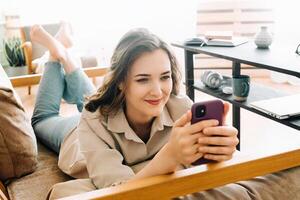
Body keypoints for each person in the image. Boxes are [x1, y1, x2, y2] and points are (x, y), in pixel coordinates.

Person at [31, 24, 300, 200]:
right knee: (44, 118)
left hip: (110, 102)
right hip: (73, 139)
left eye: (165, 76)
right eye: (143, 79)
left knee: (92, 97)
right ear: (122, 82)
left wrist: (221, 151)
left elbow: (208, 162)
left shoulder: (179, 105)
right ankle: (58, 55)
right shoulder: (91, 121)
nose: (159, 91)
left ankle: (66, 57)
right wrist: (170, 155)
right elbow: (120, 192)